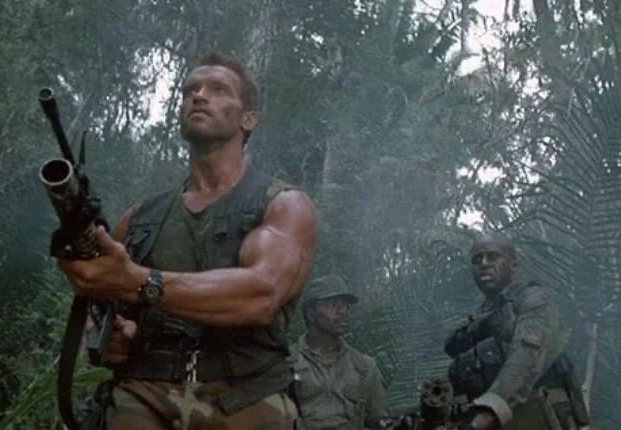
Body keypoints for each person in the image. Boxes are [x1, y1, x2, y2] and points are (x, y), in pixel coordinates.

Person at [56, 52, 317, 429]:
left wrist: (140, 282)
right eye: (190, 90)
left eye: (218, 89)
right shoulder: (141, 217)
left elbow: (260, 295)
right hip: (144, 393)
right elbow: (107, 306)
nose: (199, 96)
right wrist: (110, 336)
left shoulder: (283, 205)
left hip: (245, 396)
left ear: (248, 119)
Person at [444, 233, 589, 430]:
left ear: (512, 264)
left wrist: (489, 413)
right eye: (477, 259)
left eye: (492, 256)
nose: (484, 264)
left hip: (541, 419)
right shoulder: (477, 321)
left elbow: (526, 357)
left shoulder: (534, 300)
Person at [290, 275, 388, 429]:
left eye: (346, 307)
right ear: (311, 313)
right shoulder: (287, 363)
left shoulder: (364, 367)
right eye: (333, 305)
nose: (343, 311)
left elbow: (379, 420)